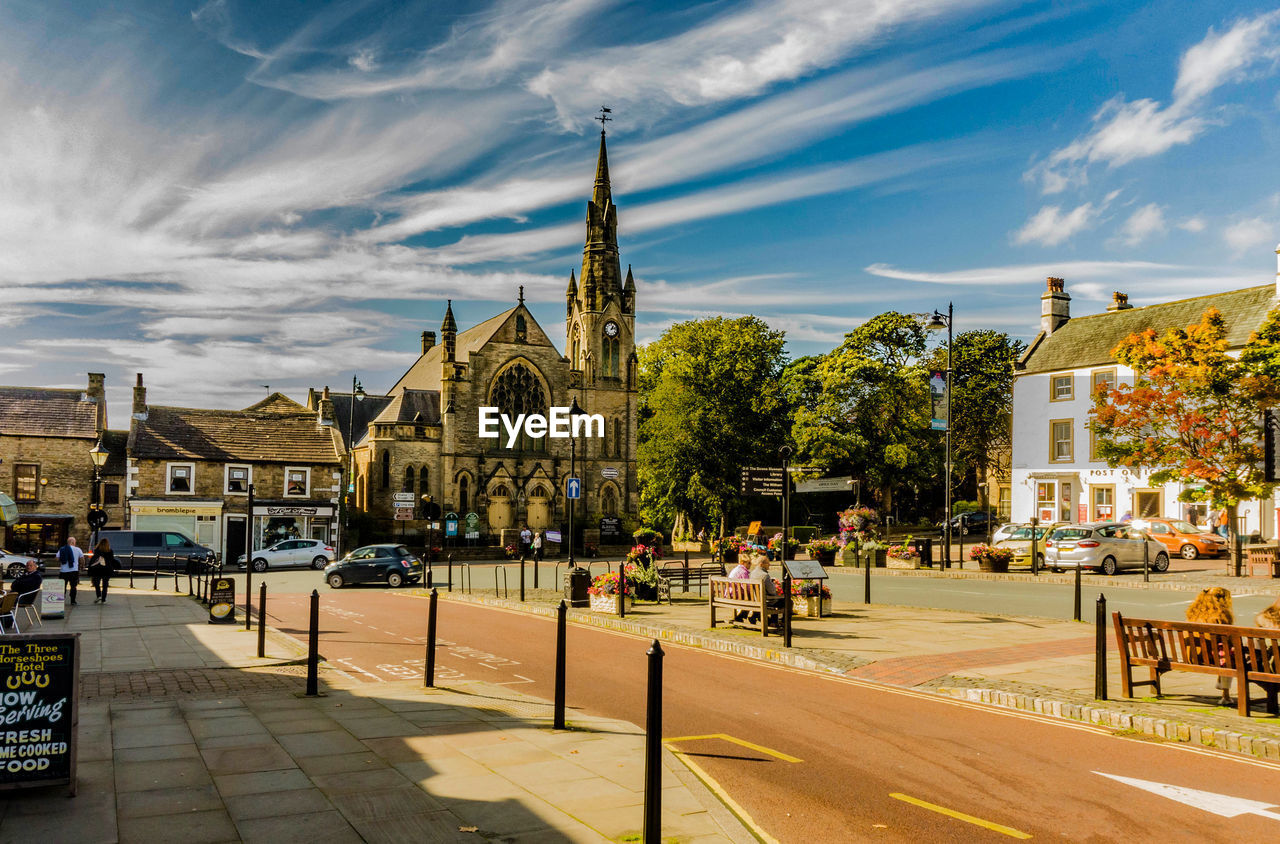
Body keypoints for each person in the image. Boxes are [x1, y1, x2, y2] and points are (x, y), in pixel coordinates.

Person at [1186, 587, 1235, 705]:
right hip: (1209, 658)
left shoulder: (1193, 613)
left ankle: (1221, 683)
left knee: (1222, 651)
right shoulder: (1221, 616)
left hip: (1192, 656)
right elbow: (1226, 640)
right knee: (1229, 654)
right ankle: (1226, 696)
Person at [87, 538, 118, 604]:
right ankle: (103, 599)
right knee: (105, 585)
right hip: (107, 569)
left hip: (98, 569)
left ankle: (99, 595)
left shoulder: (97, 550)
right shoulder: (110, 551)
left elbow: (94, 559)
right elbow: (111, 560)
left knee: (96, 583)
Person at [57, 536, 83, 606]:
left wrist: (63, 560)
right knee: (73, 586)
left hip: (63, 571)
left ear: (68, 542)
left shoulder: (62, 549)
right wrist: (81, 566)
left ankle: (61, 600)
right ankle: (73, 601)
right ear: (74, 542)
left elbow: (57, 558)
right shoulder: (78, 549)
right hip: (74, 571)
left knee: (62, 586)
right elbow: (82, 559)